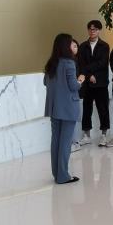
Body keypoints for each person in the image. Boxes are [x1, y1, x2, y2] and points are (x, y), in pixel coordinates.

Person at [43, 33, 81, 184]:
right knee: (65, 143)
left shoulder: (51, 63)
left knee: (56, 142)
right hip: (68, 107)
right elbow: (73, 86)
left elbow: (45, 82)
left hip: (54, 108)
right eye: (71, 43)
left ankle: (57, 173)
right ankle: (63, 176)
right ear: (65, 46)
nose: (73, 45)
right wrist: (80, 81)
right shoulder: (69, 63)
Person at [76, 20, 110, 147]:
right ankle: (86, 135)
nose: (92, 31)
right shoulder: (83, 46)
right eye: (90, 29)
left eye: (95, 29)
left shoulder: (104, 46)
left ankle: (104, 135)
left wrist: (90, 73)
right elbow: (81, 63)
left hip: (101, 82)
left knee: (103, 109)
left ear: (99, 30)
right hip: (87, 83)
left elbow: (102, 63)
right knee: (86, 109)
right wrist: (90, 75)